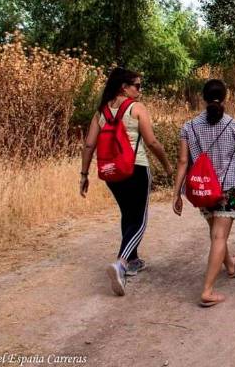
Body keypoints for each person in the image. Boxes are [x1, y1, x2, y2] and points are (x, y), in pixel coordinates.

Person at [80, 67, 173, 297]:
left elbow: (89, 144)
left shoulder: (101, 112)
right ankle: (121, 263)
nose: (140, 90)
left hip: (111, 172)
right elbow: (151, 142)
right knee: (139, 220)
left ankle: (132, 261)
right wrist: (167, 165)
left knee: (128, 215)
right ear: (124, 87)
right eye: (137, 86)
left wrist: (84, 174)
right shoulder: (136, 108)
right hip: (136, 168)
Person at [172, 79, 235, 307]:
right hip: (228, 188)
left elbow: (182, 161)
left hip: (202, 188)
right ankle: (207, 291)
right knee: (219, 236)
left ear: (202, 98)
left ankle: (230, 264)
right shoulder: (234, 126)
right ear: (225, 98)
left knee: (216, 232)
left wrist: (176, 193)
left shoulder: (188, 127)